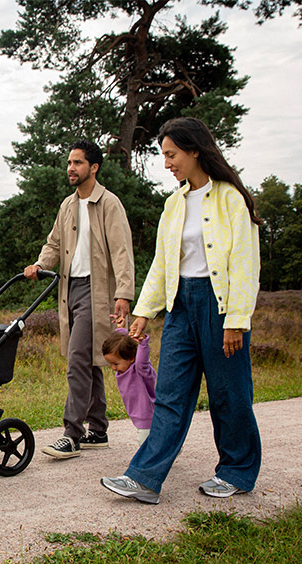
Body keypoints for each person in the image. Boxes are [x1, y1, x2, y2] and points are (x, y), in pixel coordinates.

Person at [101, 117, 262, 504]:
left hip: (220, 307)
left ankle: (237, 472)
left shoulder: (230, 199)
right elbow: (162, 262)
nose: (167, 163)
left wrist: (237, 320)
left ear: (194, 150)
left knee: (229, 394)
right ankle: (143, 478)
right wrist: (145, 311)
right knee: (170, 395)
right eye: (164, 156)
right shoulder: (174, 204)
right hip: (179, 306)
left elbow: (244, 263)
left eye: (171, 154)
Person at [24, 140, 135, 459]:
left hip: (98, 291)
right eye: (69, 163)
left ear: (94, 167)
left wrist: (123, 294)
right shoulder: (67, 206)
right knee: (88, 360)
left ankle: (72, 433)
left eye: (78, 163)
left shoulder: (109, 204)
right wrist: (41, 264)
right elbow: (54, 244)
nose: (71, 168)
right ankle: (98, 429)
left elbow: (122, 252)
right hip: (69, 289)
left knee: (77, 362)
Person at [102, 318, 156, 446]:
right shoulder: (123, 368)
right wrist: (121, 329)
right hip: (138, 415)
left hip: (148, 414)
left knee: (145, 443)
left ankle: (149, 462)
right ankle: (171, 448)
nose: (113, 368)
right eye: (110, 364)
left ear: (132, 358)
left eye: (116, 364)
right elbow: (121, 344)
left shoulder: (140, 369)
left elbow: (142, 360)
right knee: (154, 440)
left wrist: (143, 343)